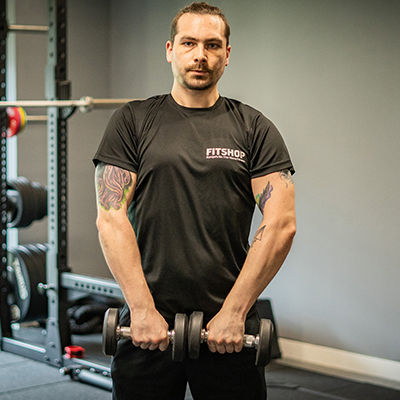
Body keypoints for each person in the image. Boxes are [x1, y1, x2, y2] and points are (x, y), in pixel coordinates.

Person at [93, 2, 296, 399]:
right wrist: (143, 309)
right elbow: (110, 218)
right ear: (170, 49)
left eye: (212, 45)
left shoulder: (254, 128)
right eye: (188, 43)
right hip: (147, 324)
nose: (200, 55)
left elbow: (281, 223)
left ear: (227, 54)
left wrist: (235, 312)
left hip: (229, 326)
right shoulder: (132, 121)